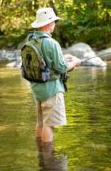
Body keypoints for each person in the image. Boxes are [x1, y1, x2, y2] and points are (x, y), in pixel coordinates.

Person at [27, 7, 81, 143]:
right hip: (51, 90)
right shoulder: (51, 43)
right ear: (47, 24)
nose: (54, 25)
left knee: (41, 122)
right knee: (48, 124)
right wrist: (75, 63)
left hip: (37, 87)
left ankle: (40, 153)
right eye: (53, 22)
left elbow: (44, 60)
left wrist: (63, 57)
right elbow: (62, 68)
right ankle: (48, 157)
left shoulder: (31, 40)